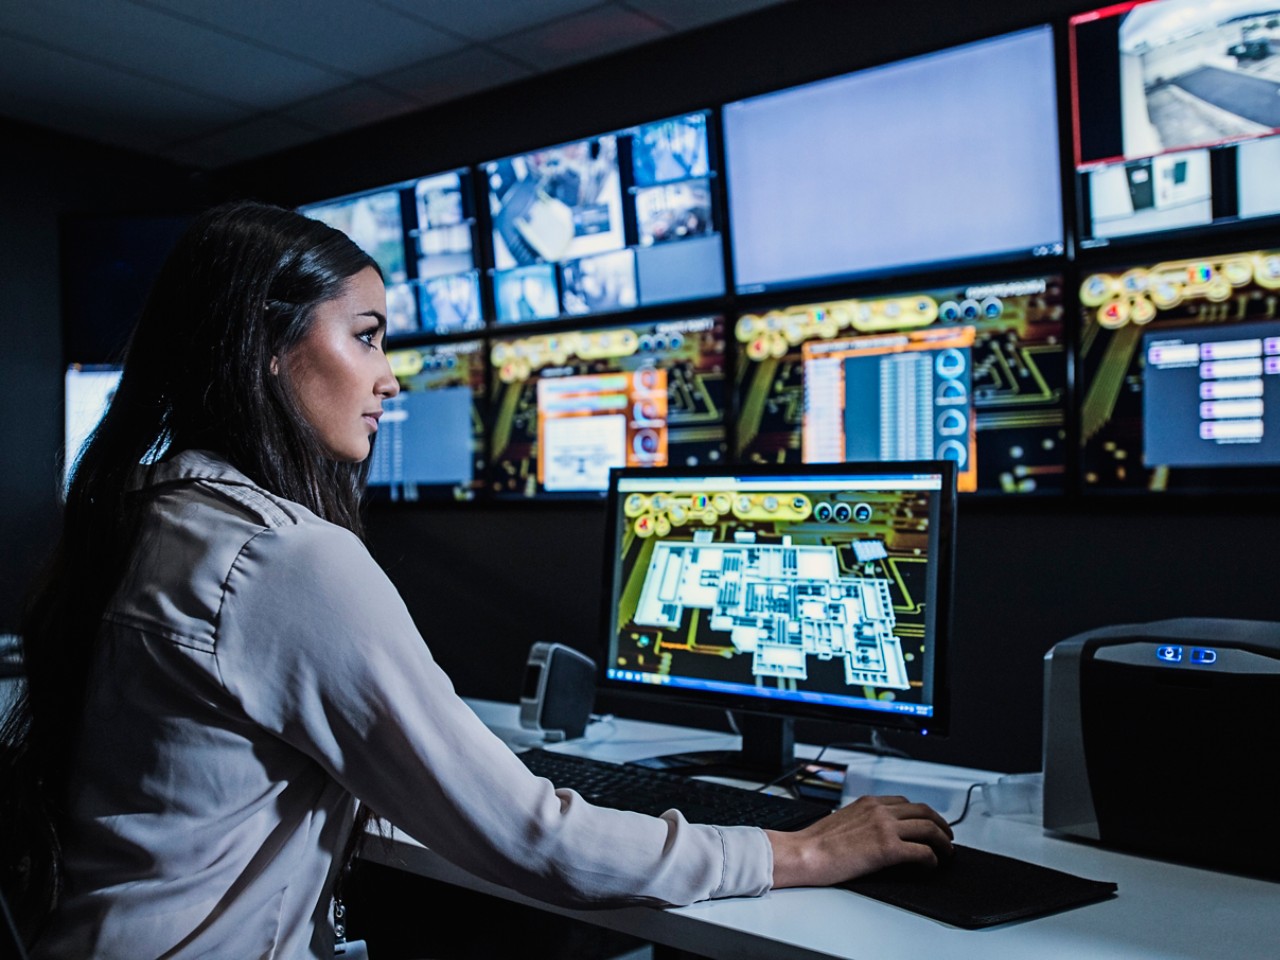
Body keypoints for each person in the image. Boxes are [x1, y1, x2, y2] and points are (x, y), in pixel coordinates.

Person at [0, 201, 953, 959]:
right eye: (367, 337)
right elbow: (534, 836)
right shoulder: (283, 558)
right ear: (267, 348)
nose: (389, 379)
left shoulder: (145, 517)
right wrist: (802, 849)